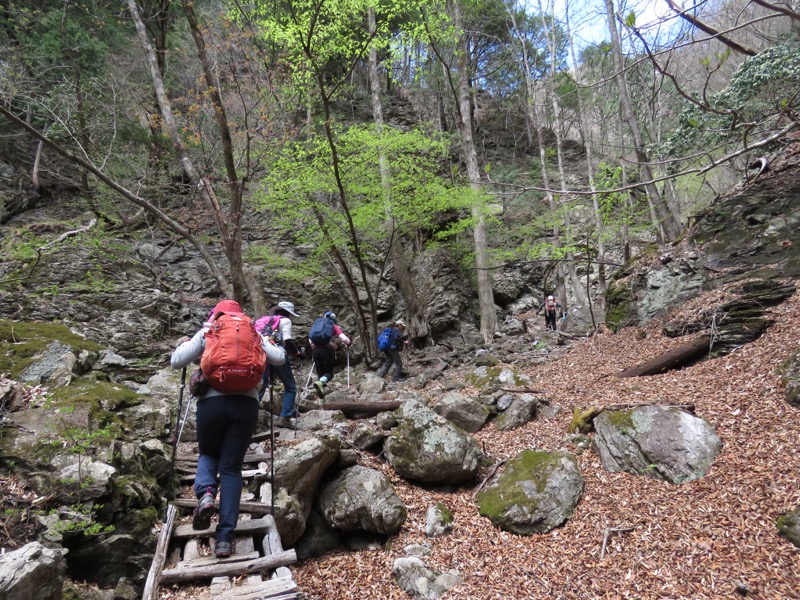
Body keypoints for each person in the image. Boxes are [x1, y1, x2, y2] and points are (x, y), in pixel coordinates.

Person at [171, 299, 285, 559]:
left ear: (217, 313)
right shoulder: (253, 331)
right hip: (245, 405)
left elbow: (176, 361)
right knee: (232, 468)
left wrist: (185, 345)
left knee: (208, 453)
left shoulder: (210, 329)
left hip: (211, 404)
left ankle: (207, 494)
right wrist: (269, 344)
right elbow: (278, 359)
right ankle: (224, 539)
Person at [255, 300, 304, 429]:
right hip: (276, 353)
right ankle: (285, 418)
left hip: (261, 353)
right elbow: (287, 340)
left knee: (261, 385)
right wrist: (297, 353)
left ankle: (249, 416)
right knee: (290, 387)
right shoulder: (285, 321)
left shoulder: (265, 320)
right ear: (289, 313)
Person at [309, 311, 351, 399]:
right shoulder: (333, 325)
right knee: (329, 373)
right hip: (326, 350)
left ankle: (321, 398)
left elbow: (310, 338)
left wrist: (314, 346)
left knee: (320, 373)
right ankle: (320, 383)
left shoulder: (317, 325)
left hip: (315, 350)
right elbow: (344, 339)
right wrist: (348, 342)